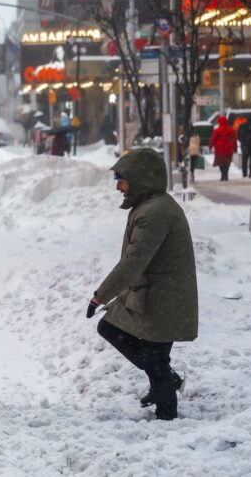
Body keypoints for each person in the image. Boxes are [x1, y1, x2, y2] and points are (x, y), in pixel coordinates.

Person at [87, 148, 197, 421]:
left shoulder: (154, 213)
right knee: (112, 329)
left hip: (162, 297)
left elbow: (133, 262)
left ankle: (167, 415)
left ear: (140, 179)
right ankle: (164, 383)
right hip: (153, 295)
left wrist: (100, 296)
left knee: (155, 358)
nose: (118, 187)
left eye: (121, 179)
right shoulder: (150, 206)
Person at [209, 116, 237, 181]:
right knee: (227, 162)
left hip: (219, 149)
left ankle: (223, 175)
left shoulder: (217, 130)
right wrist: (235, 148)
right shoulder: (231, 130)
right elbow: (234, 139)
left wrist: (210, 146)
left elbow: (213, 139)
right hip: (228, 148)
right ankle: (226, 174)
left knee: (221, 162)